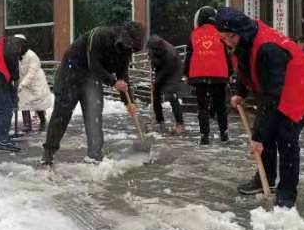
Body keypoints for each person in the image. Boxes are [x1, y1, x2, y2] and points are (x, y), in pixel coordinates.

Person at [213, 7, 304, 209]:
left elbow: (272, 97)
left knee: (286, 137)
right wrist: (240, 92)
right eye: (223, 38)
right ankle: (266, 178)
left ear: (240, 31)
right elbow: (243, 66)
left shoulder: (268, 48)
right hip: (276, 88)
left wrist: (258, 138)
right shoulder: (244, 40)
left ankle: (286, 194)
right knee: (266, 130)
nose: (227, 42)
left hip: (300, 87)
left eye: (230, 37)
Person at [42, 21, 144, 165]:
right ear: (123, 38)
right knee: (62, 114)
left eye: (133, 49)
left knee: (94, 115)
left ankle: (94, 156)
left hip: (92, 79)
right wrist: (113, 82)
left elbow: (123, 77)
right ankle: (48, 154)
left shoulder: (125, 51)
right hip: (70, 73)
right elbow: (94, 65)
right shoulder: (99, 36)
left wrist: (129, 103)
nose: (130, 51)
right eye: (130, 47)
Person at [183, 6, 230, 145]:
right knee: (220, 104)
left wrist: (186, 74)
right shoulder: (221, 34)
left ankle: (204, 135)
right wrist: (230, 72)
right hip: (219, 73)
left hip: (199, 73)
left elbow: (189, 56)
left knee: (202, 106)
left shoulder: (194, 34)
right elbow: (226, 55)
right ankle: (224, 133)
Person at [147, 35, 185, 134]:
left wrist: (156, 82)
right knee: (155, 93)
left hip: (174, 70)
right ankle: (160, 122)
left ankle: (180, 124)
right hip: (161, 67)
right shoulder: (151, 46)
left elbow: (165, 72)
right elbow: (153, 60)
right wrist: (153, 63)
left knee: (170, 94)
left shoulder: (170, 53)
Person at [17, 47, 53, 132]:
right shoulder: (17, 56)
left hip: (36, 82)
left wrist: (22, 84)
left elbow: (31, 73)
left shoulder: (32, 56)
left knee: (38, 103)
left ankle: (43, 122)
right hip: (24, 82)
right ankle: (27, 125)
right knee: (23, 102)